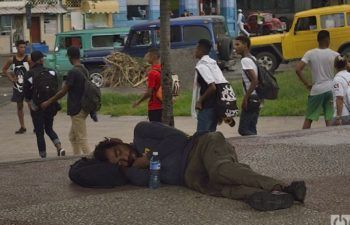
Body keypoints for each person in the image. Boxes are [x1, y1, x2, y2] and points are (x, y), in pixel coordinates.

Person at [74, 121, 307, 211]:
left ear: (120, 142)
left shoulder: (141, 132)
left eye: (119, 152)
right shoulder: (134, 171)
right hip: (190, 177)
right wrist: (128, 168)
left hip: (201, 146)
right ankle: (267, 197)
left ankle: (285, 186)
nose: (123, 157)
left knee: (220, 171)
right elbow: (148, 182)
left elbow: (178, 138)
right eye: (119, 161)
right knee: (220, 188)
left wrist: (151, 156)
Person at [41, 46, 91, 155]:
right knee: (73, 137)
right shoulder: (84, 69)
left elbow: (63, 91)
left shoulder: (73, 72)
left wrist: (48, 101)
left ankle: (93, 162)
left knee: (82, 138)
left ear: (70, 57)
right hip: (85, 107)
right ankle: (76, 158)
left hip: (77, 109)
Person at [23, 51, 65, 158]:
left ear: (32, 61)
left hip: (37, 107)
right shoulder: (51, 72)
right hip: (50, 105)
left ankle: (43, 156)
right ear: (42, 60)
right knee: (49, 128)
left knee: (39, 132)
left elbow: (26, 94)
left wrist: (31, 103)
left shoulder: (29, 74)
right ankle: (59, 147)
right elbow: (57, 88)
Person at [296, 30, 339, 129]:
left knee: (309, 117)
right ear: (328, 39)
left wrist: (307, 84)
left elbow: (298, 69)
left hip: (317, 90)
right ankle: (331, 139)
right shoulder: (334, 54)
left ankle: (303, 138)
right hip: (330, 89)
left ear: (318, 40)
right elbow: (345, 66)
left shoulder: (310, 53)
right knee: (329, 116)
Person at [191, 39, 230, 132]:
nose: (195, 51)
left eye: (196, 48)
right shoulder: (213, 64)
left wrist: (200, 101)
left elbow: (212, 87)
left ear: (200, 49)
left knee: (202, 136)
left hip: (207, 107)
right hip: (215, 106)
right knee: (211, 136)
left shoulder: (202, 66)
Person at [2, 40, 30, 134]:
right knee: (19, 106)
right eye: (21, 47)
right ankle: (22, 127)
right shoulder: (12, 59)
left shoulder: (28, 58)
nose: (23, 49)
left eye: (24, 47)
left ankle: (36, 126)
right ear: (17, 48)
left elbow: (34, 69)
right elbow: (4, 70)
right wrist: (11, 79)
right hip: (18, 87)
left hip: (28, 86)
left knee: (32, 106)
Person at [234, 36, 260, 136]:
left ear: (245, 45)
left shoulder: (245, 60)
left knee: (243, 129)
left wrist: (246, 98)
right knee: (251, 128)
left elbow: (254, 80)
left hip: (251, 98)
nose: (235, 47)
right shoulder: (252, 58)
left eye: (237, 44)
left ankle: (258, 143)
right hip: (257, 97)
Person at [133, 48, 163, 122]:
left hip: (155, 108)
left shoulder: (152, 73)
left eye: (148, 55)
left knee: (155, 131)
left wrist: (138, 101)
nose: (146, 58)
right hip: (164, 105)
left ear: (154, 56)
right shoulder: (163, 69)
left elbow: (149, 93)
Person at [332, 55, 350, 126]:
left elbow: (340, 98)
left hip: (344, 114)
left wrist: (338, 117)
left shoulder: (337, 79)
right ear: (346, 65)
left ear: (335, 66)